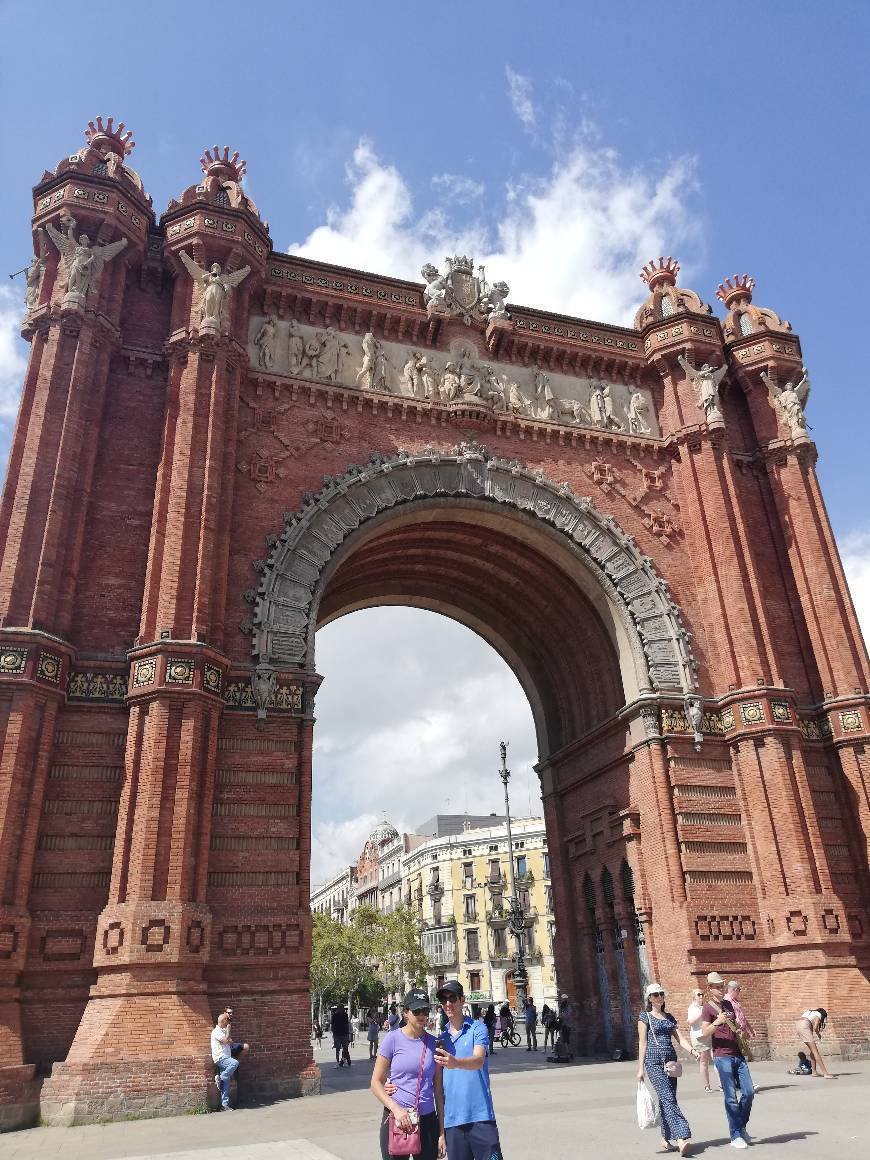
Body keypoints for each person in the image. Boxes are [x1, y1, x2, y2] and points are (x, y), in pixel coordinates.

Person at [371, 987, 445, 1160]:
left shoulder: (436, 1044)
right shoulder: (392, 1039)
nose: (421, 1015)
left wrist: (441, 1132)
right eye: (417, 1011)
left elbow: (438, 1090)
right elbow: (376, 1082)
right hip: (397, 1118)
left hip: (427, 1120)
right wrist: (396, 1109)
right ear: (406, 1012)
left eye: (425, 1010)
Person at [435, 979, 503, 1160]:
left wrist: (455, 1062)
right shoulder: (441, 1039)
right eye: (444, 1000)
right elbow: (439, 1090)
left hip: (480, 1117)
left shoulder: (477, 1028)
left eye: (452, 998)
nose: (448, 1004)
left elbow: (479, 1060)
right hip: (453, 1122)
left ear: (462, 1000)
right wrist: (441, 1131)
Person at [636, 983, 696, 1157]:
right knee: (668, 1098)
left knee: (666, 1100)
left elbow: (680, 1039)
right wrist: (640, 1069)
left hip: (671, 1063)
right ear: (649, 998)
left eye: (661, 994)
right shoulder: (644, 1017)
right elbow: (642, 1043)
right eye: (655, 995)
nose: (660, 997)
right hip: (653, 1062)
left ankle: (665, 1138)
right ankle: (681, 1137)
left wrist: (693, 1051)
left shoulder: (669, 1017)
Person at [700, 972, 753, 1149]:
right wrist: (717, 1022)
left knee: (749, 1092)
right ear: (710, 988)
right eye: (717, 986)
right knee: (730, 1097)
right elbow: (704, 1032)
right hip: (722, 1056)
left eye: (722, 986)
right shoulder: (707, 1008)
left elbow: (735, 1025)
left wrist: (740, 1031)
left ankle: (740, 1126)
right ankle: (735, 1135)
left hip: (737, 1053)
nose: (721, 989)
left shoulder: (728, 1004)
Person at [210, 1008, 250, 1111]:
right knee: (235, 1063)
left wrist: (227, 1037)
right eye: (226, 1020)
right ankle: (222, 1076)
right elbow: (226, 1040)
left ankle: (224, 1105)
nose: (228, 1022)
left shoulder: (222, 1032)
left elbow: (230, 1041)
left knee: (226, 1083)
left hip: (225, 1058)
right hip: (220, 1058)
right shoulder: (216, 1032)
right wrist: (228, 1032)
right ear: (222, 1021)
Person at [687, 987, 718, 1092]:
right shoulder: (692, 1007)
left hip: (709, 1034)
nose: (701, 996)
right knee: (704, 1061)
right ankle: (707, 1085)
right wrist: (702, 1012)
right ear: (694, 998)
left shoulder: (706, 1006)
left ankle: (722, 1084)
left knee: (717, 1058)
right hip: (698, 1037)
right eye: (698, 995)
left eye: (702, 994)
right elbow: (690, 1022)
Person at [795, 1007, 834, 1077]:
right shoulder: (818, 1015)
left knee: (812, 1051)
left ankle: (814, 1071)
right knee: (815, 1051)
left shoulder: (809, 1012)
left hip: (798, 1025)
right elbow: (815, 1027)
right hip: (804, 1025)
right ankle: (825, 1073)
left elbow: (809, 1024)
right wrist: (818, 1034)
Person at [331, 1003, 352, 1069]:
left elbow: (347, 1025)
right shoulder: (334, 1015)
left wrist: (349, 1033)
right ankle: (338, 1062)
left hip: (344, 1033)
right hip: (337, 1034)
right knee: (337, 1049)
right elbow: (332, 1024)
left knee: (345, 1049)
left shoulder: (345, 1015)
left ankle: (343, 1061)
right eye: (340, 1008)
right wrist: (333, 1033)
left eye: (341, 1008)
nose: (341, 1009)